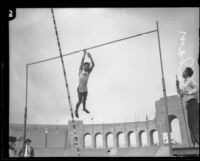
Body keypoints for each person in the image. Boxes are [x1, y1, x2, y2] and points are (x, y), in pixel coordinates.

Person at [176, 67, 199, 147]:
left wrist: (189, 93)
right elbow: (181, 94)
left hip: (193, 103)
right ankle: (194, 143)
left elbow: (197, 88)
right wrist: (177, 86)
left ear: (187, 73)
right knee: (190, 125)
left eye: (184, 71)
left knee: (195, 123)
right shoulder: (184, 84)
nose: (182, 72)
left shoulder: (190, 80)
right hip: (188, 105)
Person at [75, 50, 95, 118]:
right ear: (84, 66)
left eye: (88, 66)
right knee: (80, 101)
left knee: (85, 99)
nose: (87, 67)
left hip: (85, 89)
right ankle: (76, 111)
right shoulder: (81, 70)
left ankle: (84, 108)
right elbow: (81, 62)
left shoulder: (88, 71)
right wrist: (84, 54)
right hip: (80, 89)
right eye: (85, 66)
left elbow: (93, 64)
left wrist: (90, 57)